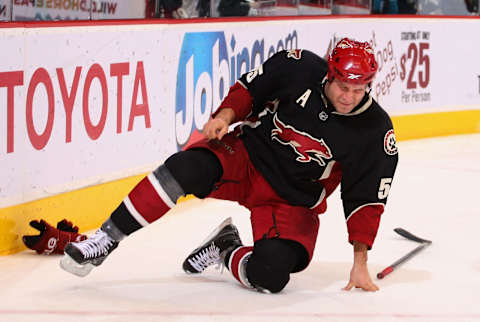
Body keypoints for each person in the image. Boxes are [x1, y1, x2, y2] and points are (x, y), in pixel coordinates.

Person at [60, 38, 398, 293]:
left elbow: (367, 198)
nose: (348, 96)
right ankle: (106, 239)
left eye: (358, 89)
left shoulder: (374, 130)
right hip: (248, 157)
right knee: (186, 168)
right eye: (342, 86)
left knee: (271, 275)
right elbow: (252, 88)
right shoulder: (297, 66)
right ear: (329, 71)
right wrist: (225, 115)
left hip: (292, 200)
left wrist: (360, 263)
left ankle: (225, 248)